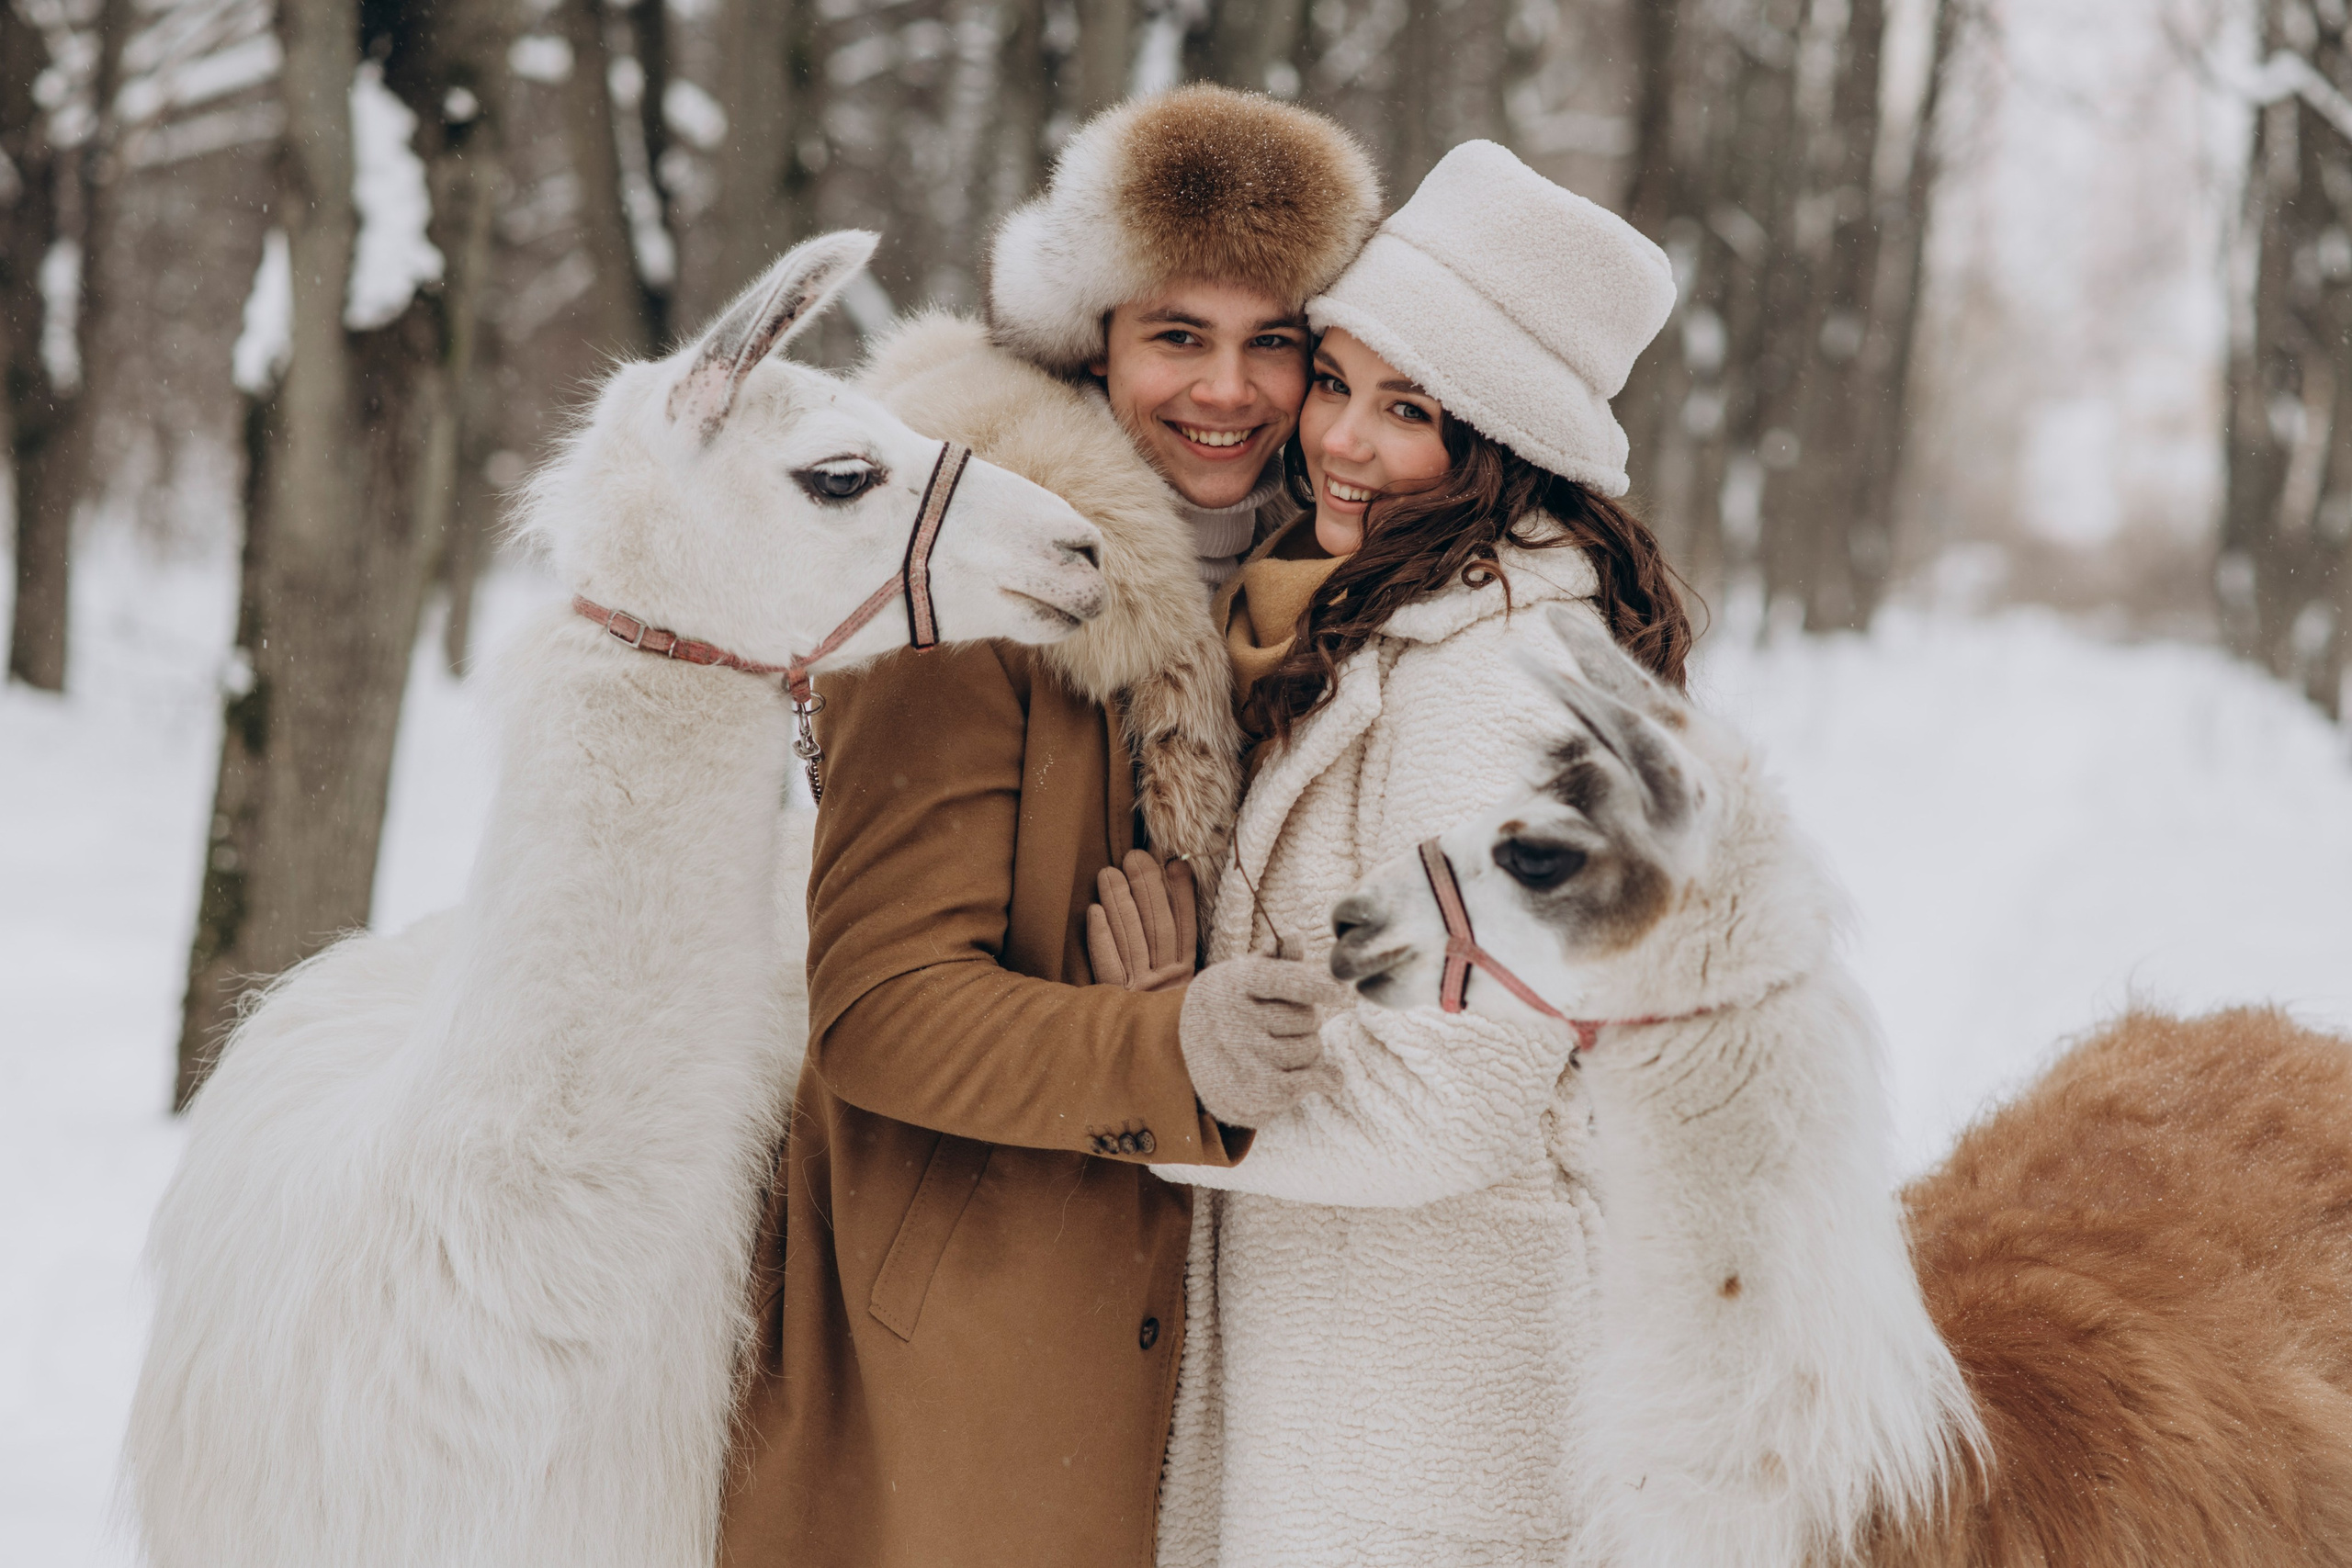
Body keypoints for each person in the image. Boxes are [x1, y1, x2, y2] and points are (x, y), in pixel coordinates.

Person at [715, 87, 1382, 1567]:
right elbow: (880, 1009)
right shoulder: (968, 592)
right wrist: (1171, 1046)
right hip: (969, 1349)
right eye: (1177, 337)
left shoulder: (1296, 587)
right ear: (1093, 338)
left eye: (1273, 339)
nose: (1230, 391)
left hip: (1227, 1328)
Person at [1086, 141, 1690, 1565]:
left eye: (1407, 409)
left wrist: (1169, 1059)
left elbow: (1445, 1098)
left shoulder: (1509, 680)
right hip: (1348, 1371)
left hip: (1430, 1424)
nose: (1338, 440)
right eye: (1340, 381)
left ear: (1499, 441)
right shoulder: (1385, 627)